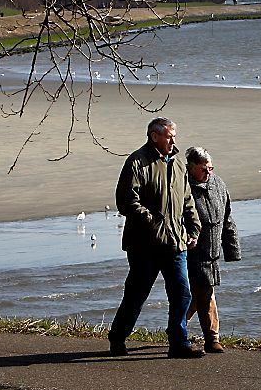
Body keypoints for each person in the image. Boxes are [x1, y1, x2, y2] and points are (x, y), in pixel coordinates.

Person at [108, 117, 204, 359]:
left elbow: (186, 200)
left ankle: (179, 342)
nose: (173, 140)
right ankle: (118, 337)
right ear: (154, 136)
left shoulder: (179, 163)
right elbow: (126, 202)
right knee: (136, 294)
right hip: (144, 245)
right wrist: (152, 222)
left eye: (174, 135)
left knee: (182, 293)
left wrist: (193, 228)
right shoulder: (137, 162)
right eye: (169, 135)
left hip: (175, 243)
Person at [184, 147, 241, 353]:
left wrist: (232, 249)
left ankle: (177, 327)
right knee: (203, 293)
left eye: (210, 168)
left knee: (198, 294)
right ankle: (211, 339)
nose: (208, 173)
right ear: (190, 168)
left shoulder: (218, 183)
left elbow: (227, 218)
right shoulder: (182, 186)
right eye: (203, 169)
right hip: (190, 252)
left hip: (213, 252)